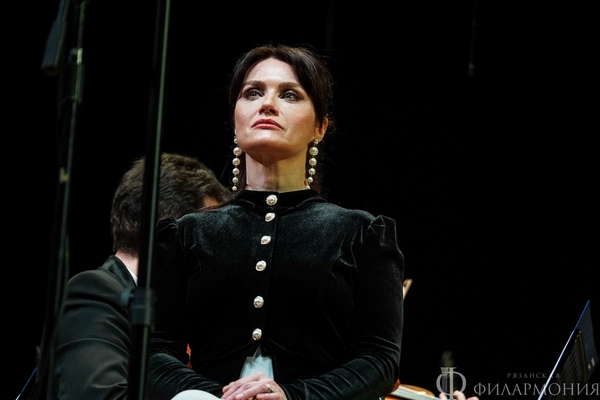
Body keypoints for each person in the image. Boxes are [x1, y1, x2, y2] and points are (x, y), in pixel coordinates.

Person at [146, 43, 404, 400]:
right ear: (235, 120)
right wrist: (218, 396)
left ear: (320, 127)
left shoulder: (362, 234)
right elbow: (154, 354)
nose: (267, 104)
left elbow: (380, 360)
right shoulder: (185, 234)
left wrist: (295, 396)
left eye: (289, 95)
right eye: (252, 93)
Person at [28, 152, 230, 400]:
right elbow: (100, 396)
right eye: (209, 240)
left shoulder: (181, 319)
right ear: (167, 235)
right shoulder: (94, 293)